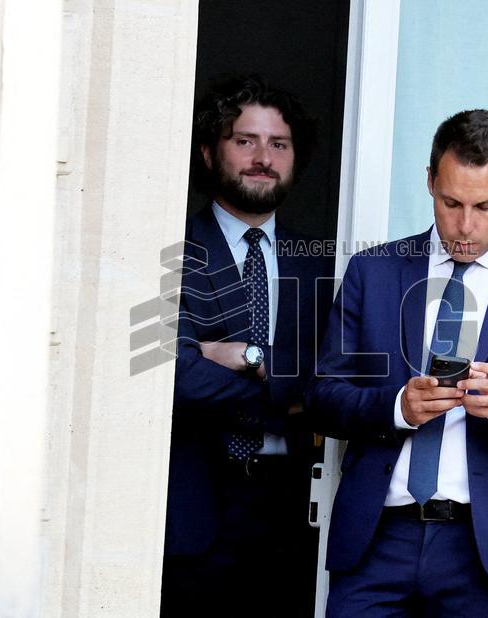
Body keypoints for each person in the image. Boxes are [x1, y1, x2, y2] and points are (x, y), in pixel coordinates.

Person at [306, 109, 488, 617]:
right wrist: (397, 407)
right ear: (429, 183)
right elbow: (322, 398)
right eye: (451, 202)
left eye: (484, 205)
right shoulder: (371, 273)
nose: (465, 224)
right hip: (377, 539)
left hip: (482, 551)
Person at [161, 75, 333, 617]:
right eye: (245, 140)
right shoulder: (168, 249)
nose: (263, 157)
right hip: (196, 507)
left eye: (278, 144)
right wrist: (287, 395)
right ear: (210, 152)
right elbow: (173, 378)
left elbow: (330, 377)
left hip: (291, 509)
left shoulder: (322, 265)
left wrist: (245, 357)